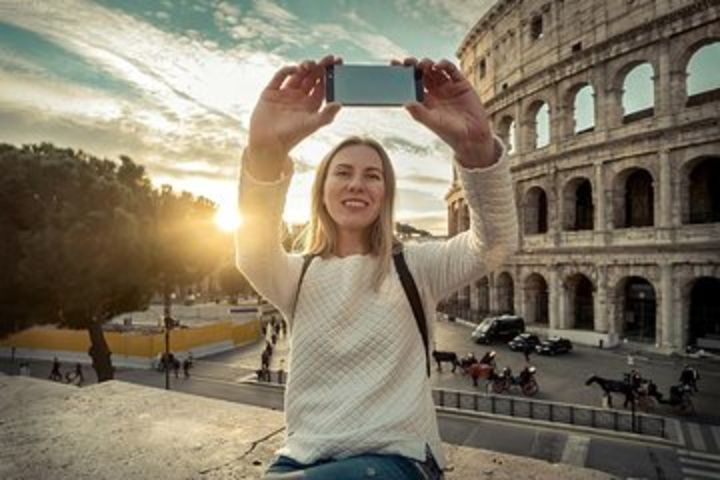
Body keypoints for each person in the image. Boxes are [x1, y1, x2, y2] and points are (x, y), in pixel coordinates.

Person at [236, 55, 518, 480]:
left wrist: (476, 148)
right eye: (343, 172)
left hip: (398, 456)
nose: (356, 184)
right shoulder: (296, 275)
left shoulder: (417, 266)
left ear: (385, 194)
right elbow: (252, 251)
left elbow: (495, 244)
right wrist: (264, 151)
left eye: (373, 176)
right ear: (322, 190)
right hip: (302, 457)